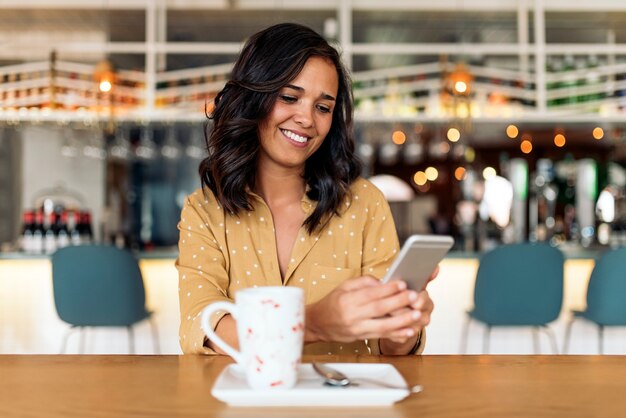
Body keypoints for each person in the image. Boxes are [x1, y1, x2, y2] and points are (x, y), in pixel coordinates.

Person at [176, 22, 437, 356]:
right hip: (242, 405)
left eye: (323, 107)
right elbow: (203, 328)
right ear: (253, 98)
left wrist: (402, 323)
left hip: (343, 404)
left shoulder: (365, 204)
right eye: (289, 97)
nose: (307, 119)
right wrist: (312, 322)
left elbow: (387, 345)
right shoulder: (204, 211)